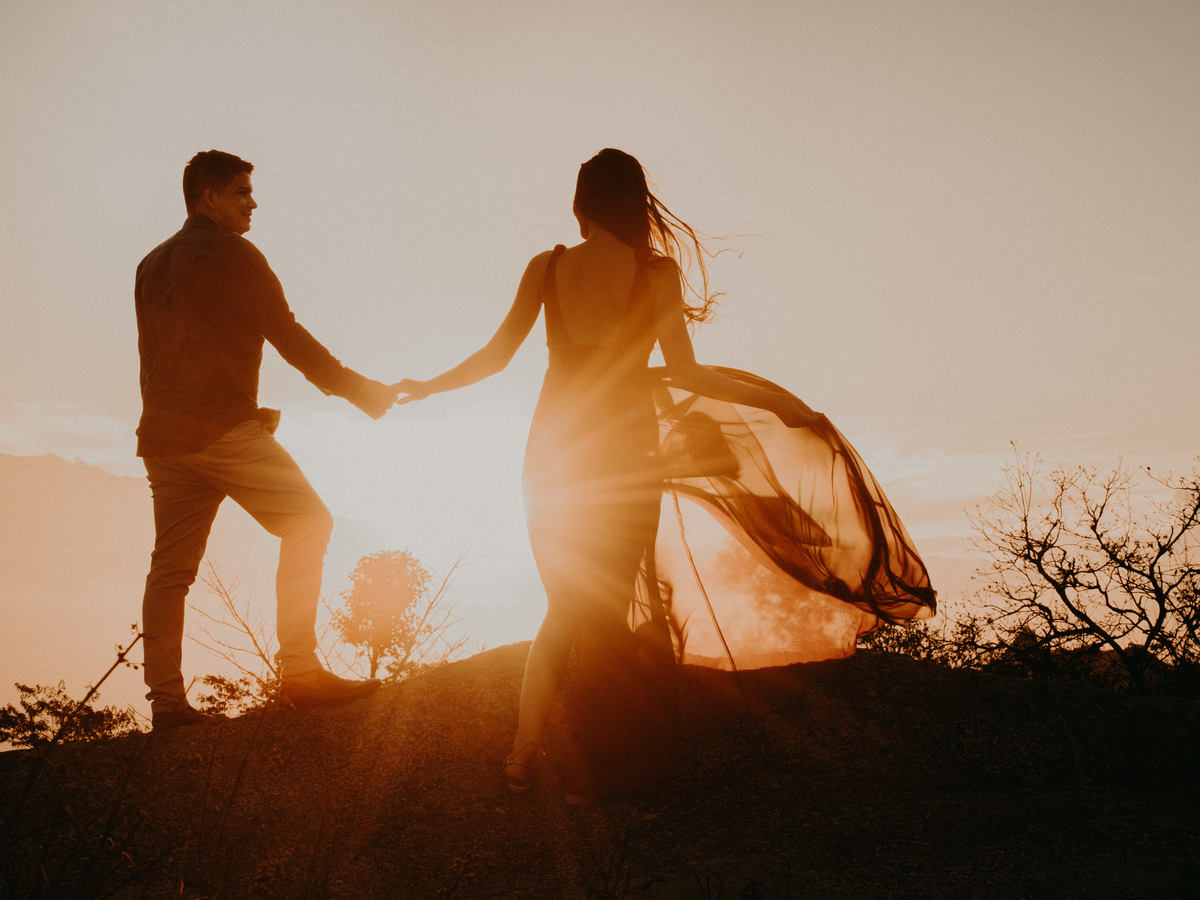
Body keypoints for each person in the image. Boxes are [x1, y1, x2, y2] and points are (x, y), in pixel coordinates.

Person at [394, 148, 827, 799]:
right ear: (635, 203)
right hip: (624, 454)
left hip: (555, 453)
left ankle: (524, 755)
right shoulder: (655, 275)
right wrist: (779, 402)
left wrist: (425, 386)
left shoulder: (546, 268)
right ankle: (600, 772)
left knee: (570, 606)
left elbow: (493, 358)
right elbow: (687, 372)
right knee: (596, 612)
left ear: (581, 202)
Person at [136, 149, 395, 730]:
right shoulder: (234, 253)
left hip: (163, 440)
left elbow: (165, 355)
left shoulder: (150, 264)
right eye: (242, 193)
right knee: (310, 522)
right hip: (223, 433)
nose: (253, 203)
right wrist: (361, 391)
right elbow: (287, 335)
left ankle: (168, 705)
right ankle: (301, 674)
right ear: (210, 198)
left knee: (169, 572)